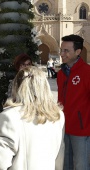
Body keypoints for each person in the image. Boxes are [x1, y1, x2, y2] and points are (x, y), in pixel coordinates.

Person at [0, 66, 65, 170]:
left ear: (17, 86)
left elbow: (0, 161)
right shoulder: (57, 114)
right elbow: (59, 155)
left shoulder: (10, 116)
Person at [57, 34, 90, 170]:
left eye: (66, 51)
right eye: (61, 50)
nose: (62, 54)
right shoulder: (61, 73)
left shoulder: (87, 72)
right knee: (65, 165)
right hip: (63, 127)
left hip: (81, 129)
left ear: (78, 52)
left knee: (81, 165)